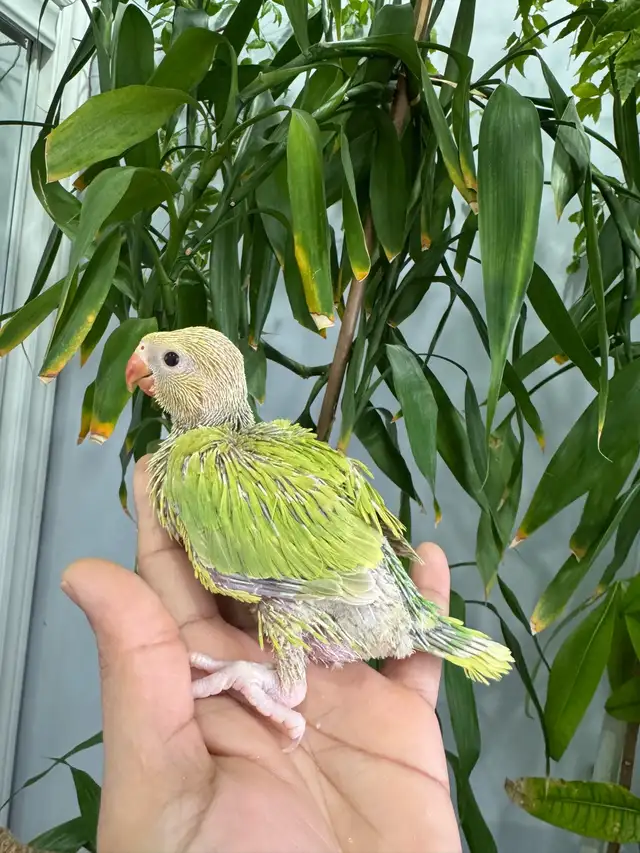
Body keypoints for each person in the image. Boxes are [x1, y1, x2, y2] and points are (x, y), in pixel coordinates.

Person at [60, 457, 463, 853]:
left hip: (356, 597)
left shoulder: (231, 483)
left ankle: (286, 682)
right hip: (360, 596)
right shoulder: (208, 480)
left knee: (277, 599)